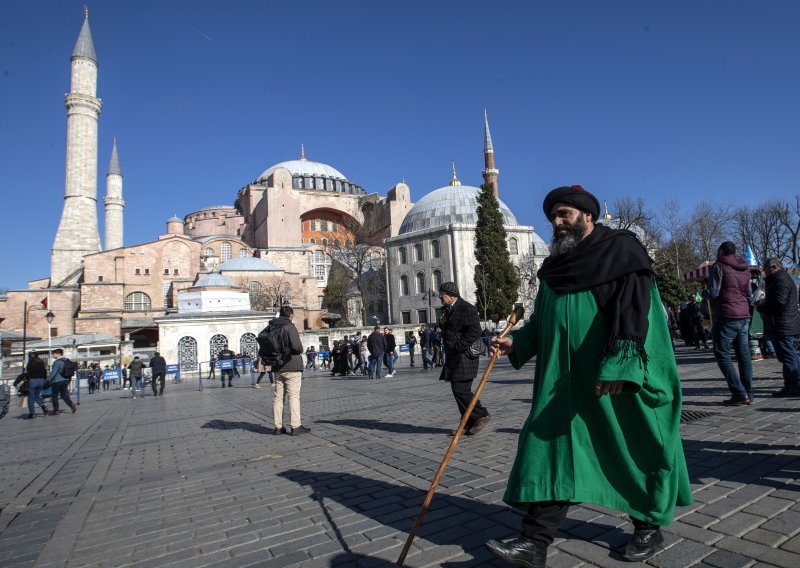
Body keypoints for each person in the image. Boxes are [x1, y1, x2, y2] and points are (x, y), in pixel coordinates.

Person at [486, 186, 692, 567]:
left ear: (587, 215)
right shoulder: (553, 269)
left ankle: (647, 526)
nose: (557, 222)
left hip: (613, 377)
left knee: (630, 447)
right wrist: (516, 342)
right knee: (550, 450)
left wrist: (621, 366)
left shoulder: (621, 251)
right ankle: (534, 542)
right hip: (564, 383)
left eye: (564, 214)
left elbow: (637, 312)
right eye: (553, 217)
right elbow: (542, 320)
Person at [701, 241, 754, 405]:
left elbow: (714, 292)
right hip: (744, 315)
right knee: (743, 354)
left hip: (727, 315)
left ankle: (739, 392)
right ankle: (749, 393)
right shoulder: (745, 268)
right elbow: (750, 294)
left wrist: (704, 292)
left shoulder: (719, 266)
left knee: (722, 353)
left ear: (721, 251)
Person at [437, 281, 491, 436]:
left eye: (443, 294)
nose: (440, 297)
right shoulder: (447, 310)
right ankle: (468, 422)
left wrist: (460, 346)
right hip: (454, 356)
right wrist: (442, 323)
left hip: (465, 356)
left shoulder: (466, 308)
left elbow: (475, 330)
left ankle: (481, 414)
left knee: (461, 390)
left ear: (452, 295)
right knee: (457, 391)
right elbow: (448, 329)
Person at [757, 256, 800, 397]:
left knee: (788, 356)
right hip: (785, 324)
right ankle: (795, 383)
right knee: (790, 355)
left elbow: (778, 304)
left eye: (766, 269)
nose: (764, 271)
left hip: (783, 325)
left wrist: (761, 305)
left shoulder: (780, 280)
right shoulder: (780, 279)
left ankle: (793, 386)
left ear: (774, 267)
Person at [265, 306, 310, 435]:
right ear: (290, 315)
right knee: (294, 396)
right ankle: (295, 426)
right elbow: (297, 347)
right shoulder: (289, 326)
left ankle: (278, 427)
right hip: (291, 365)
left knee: (278, 398)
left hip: (277, 367)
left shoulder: (271, 327)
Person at [48, 348, 77, 415]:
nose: (52, 356)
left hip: (57, 381)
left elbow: (54, 373)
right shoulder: (67, 360)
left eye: (53, 354)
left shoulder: (57, 362)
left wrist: (48, 380)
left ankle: (56, 410)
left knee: (54, 396)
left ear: (58, 354)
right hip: (66, 380)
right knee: (63, 395)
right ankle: (71, 404)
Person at [24, 351, 50, 419]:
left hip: (33, 381)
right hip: (41, 380)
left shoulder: (30, 362)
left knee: (31, 398)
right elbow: (45, 372)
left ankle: (32, 413)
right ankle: (43, 407)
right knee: (37, 396)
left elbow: (28, 373)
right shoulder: (41, 362)